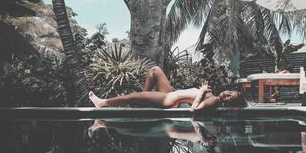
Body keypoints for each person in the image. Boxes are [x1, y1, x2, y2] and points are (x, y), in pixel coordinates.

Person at [89, 66, 247, 111]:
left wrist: (200, 92)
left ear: (227, 104)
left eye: (229, 98)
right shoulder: (215, 96)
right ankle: (144, 98)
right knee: (154, 70)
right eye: (229, 92)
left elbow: (194, 110)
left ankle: (102, 103)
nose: (226, 94)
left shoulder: (214, 101)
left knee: (132, 96)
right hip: (171, 93)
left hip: (167, 100)